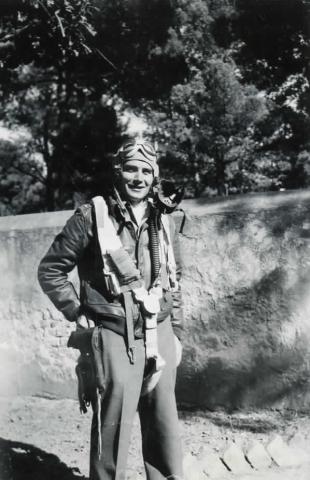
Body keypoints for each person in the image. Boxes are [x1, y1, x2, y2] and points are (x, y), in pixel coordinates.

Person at [37, 139, 184, 480]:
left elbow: (175, 282)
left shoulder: (165, 219)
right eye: (131, 169)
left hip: (159, 330)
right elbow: (51, 270)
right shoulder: (92, 216)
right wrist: (76, 309)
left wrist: (176, 331)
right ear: (118, 172)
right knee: (113, 425)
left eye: (146, 171)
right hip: (115, 334)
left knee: (164, 423)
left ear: (155, 177)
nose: (138, 177)